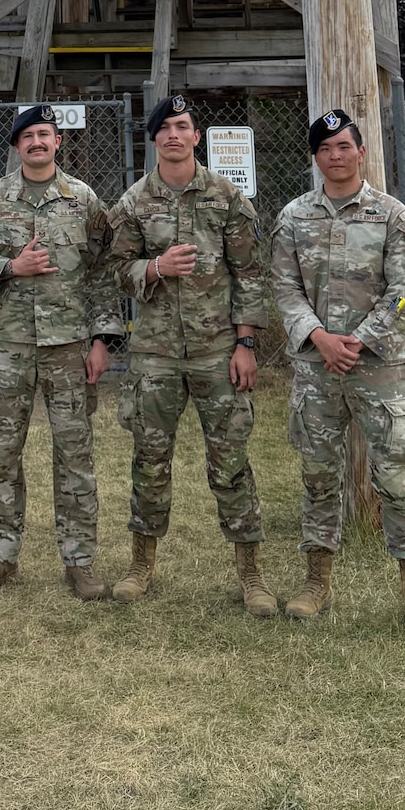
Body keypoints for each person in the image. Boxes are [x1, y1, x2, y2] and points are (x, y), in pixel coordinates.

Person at [271, 109, 405, 640]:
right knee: (319, 478)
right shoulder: (294, 217)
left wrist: (358, 342)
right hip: (317, 369)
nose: (336, 156)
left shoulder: (393, 218)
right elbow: (284, 288)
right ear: (316, 157)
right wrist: (320, 338)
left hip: (378, 370)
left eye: (344, 146)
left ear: (360, 151)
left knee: (394, 479)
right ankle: (316, 583)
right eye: (325, 149)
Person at [106, 94, 274, 617]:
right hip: (154, 355)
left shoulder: (227, 198)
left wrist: (246, 344)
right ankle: (141, 565)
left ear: (196, 137)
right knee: (149, 462)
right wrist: (155, 269)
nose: (174, 135)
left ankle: (251, 574)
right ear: (153, 139)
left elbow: (250, 274)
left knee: (230, 462)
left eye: (183, 127)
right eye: (165, 129)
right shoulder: (133, 203)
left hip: (217, 351)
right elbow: (115, 271)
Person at [0, 104, 122, 601]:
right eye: (27, 136)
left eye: (44, 134)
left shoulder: (83, 200)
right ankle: (0, 556)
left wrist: (102, 339)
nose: (36, 142)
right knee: (3, 455)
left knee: (75, 454)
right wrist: (11, 268)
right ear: (16, 146)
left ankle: (80, 561)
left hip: (69, 349)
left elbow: (103, 271)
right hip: (7, 347)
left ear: (58, 142)